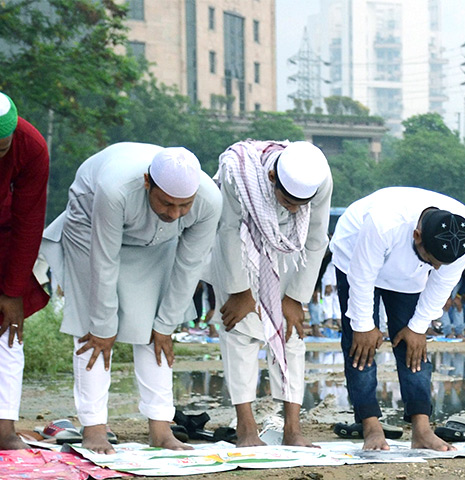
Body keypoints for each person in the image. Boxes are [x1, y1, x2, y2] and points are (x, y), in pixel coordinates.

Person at [43, 143, 221, 453]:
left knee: (157, 335)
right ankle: (94, 427)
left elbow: (189, 264)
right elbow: (104, 261)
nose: (175, 213)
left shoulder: (209, 201)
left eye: (184, 206)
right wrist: (103, 324)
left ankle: (161, 429)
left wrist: (166, 323)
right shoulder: (116, 190)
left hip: (156, 243)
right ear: (147, 182)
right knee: (93, 335)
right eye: (167, 203)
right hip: (90, 228)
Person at [330, 186, 465, 451]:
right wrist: (364, 325)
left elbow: (443, 282)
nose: (437, 268)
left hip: (408, 276)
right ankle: (371, 426)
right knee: (359, 347)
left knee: (414, 348)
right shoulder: (384, 222)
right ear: (418, 235)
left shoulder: (463, 232)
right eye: (432, 260)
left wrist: (418, 326)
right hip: (355, 254)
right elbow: (362, 278)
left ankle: (422, 429)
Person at [209, 140, 332, 447]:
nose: (294, 207)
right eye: (289, 200)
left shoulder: (320, 176)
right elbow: (226, 228)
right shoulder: (236, 172)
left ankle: (293, 431)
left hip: (290, 248)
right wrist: (240, 291)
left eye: (300, 203)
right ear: (272, 178)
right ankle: (246, 430)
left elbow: (317, 238)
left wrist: (295, 297)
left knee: (291, 334)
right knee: (238, 331)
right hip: (238, 247)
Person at [0, 92, 49, 451]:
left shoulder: (31, 145)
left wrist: (12, 290)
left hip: (5, 234)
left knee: (7, 331)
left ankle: (4, 429)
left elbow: (29, 220)